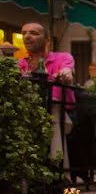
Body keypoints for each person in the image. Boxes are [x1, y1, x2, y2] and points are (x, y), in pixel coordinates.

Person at [18, 23, 75, 168]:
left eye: (34, 33)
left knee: (53, 119)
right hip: (28, 113)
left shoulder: (62, 57)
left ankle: (63, 181)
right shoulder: (20, 64)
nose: (27, 36)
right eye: (24, 33)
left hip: (61, 112)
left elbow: (68, 71)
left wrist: (65, 74)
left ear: (47, 40)